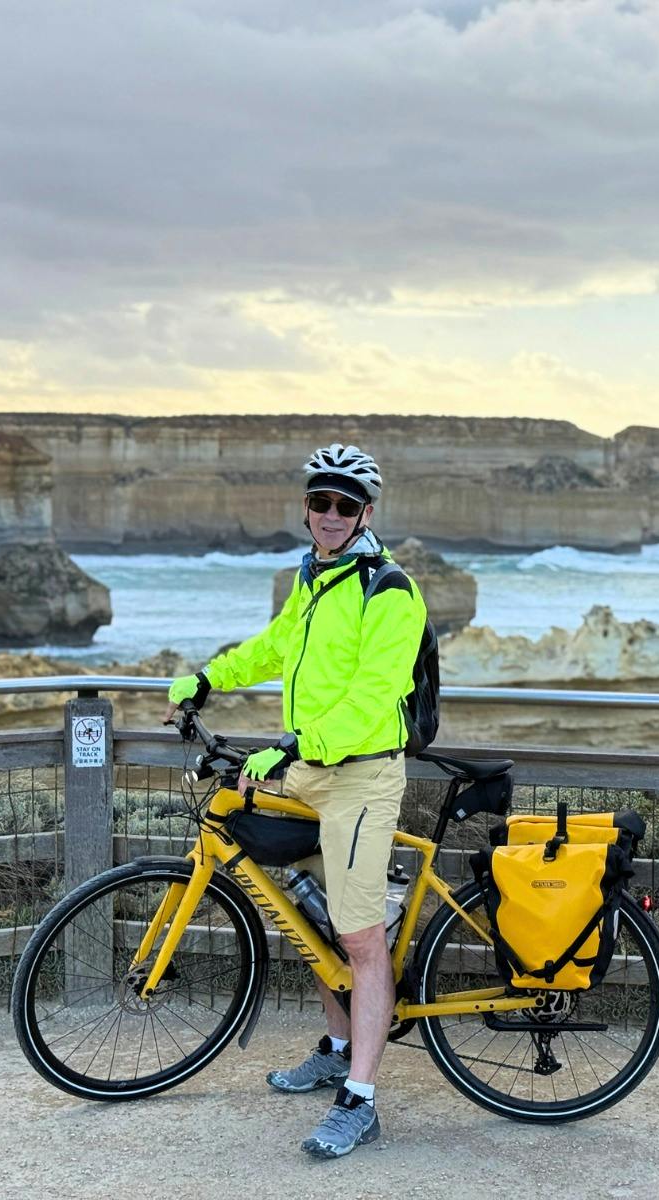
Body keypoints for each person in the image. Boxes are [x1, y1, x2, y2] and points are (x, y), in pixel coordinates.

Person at [164, 443, 427, 1160]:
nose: (331, 515)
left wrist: (289, 746)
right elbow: (272, 648)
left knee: (360, 938)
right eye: (321, 502)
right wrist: (207, 679)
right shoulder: (313, 581)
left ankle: (363, 1099)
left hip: (361, 775)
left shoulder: (390, 590)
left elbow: (374, 701)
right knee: (305, 901)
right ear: (307, 509)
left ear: (366, 513)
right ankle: (338, 1044)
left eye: (346, 505)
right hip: (310, 766)